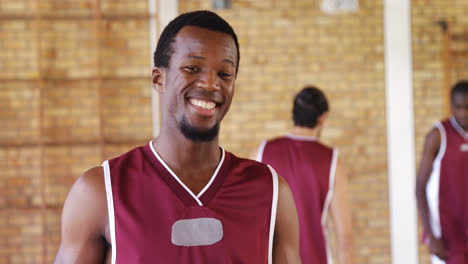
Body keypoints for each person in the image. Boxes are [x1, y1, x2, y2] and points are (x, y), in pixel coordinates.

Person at [54, 10, 301, 263]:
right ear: (159, 79)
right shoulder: (100, 191)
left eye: (224, 74)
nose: (210, 83)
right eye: (193, 68)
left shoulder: (271, 191)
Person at [251, 86, 354, 264]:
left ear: (294, 114)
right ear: (322, 117)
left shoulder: (260, 153)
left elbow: (247, 223)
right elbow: (345, 240)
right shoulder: (332, 160)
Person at [416, 80, 468, 264]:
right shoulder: (438, 135)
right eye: (458, 107)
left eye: (467, 107)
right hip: (445, 235)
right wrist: (430, 235)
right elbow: (419, 188)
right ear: (451, 105)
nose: (463, 113)